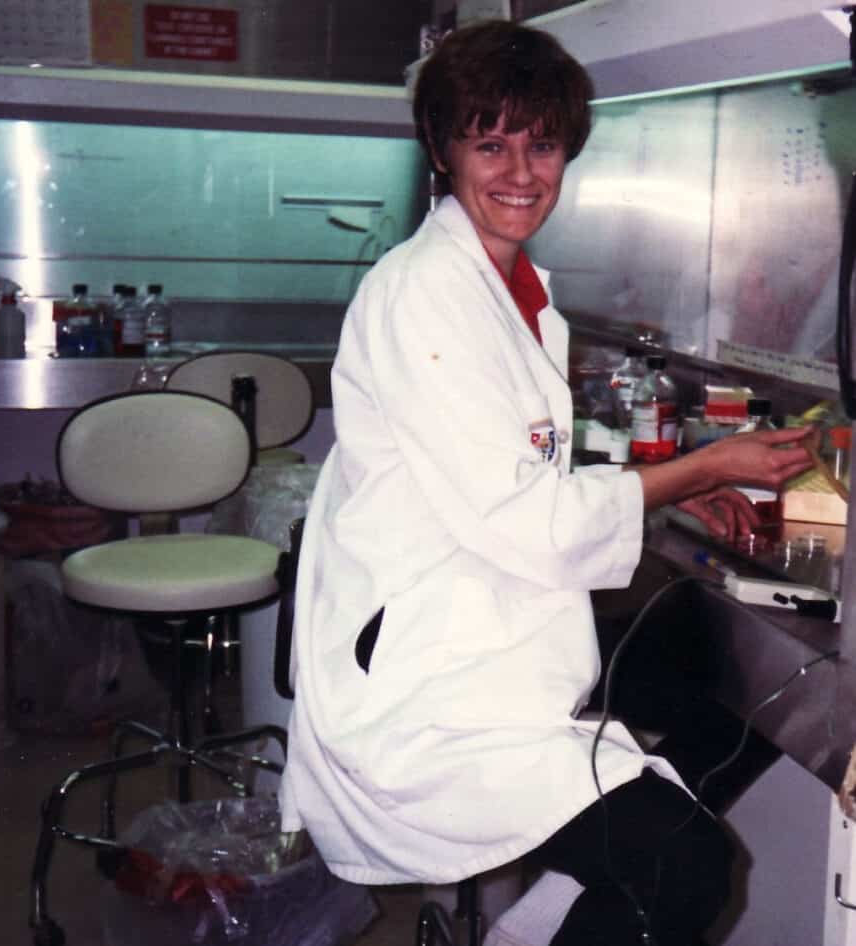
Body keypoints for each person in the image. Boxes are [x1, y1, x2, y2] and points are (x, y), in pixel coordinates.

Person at [278, 20, 814, 946]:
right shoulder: (427, 293)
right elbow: (522, 514)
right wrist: (702, 464)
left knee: (737, 692)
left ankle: (537, 921)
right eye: (490, 143)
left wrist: (665, 489)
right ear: (443, 154)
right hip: (427, 684)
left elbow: (507, 459)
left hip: (488, 624)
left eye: (542, 144)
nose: (521, 171)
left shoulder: (514, 288)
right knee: (686, 861)